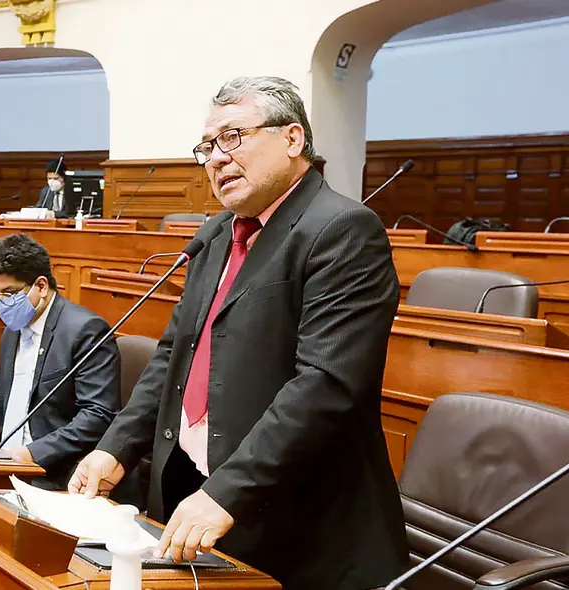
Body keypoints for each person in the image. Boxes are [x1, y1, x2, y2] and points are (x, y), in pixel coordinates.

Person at [68, 76, 407, 590]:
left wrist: (228, 490)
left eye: (233, 137)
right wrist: (115, 448)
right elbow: (172, 360)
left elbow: (324, 385)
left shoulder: (342, 229)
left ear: (293, 139)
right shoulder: (219, 235)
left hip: (296, 522)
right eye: (208, 146)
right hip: (199, 501)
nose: (216, 158)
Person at [0, 234, 122, 491]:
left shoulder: (85, 330)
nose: (1, 305)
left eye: (9, 294)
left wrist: (32, 453)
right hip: (6, 465)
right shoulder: (13, 329)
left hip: (55, 472)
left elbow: (97, 415)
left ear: (41, 286)